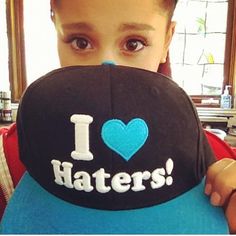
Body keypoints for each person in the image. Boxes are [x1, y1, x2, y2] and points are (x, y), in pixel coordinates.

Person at [0, 0, 235, 233]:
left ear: (167, 39)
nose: (107, 66)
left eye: (134, 44)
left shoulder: (216, 161)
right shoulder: (8, 159)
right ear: (55, 26)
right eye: (80, 42)